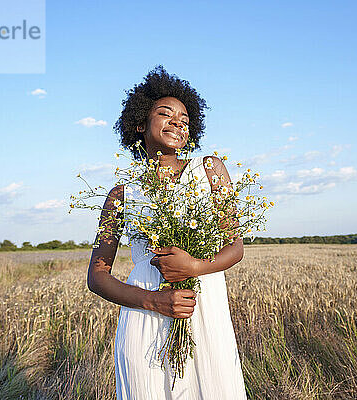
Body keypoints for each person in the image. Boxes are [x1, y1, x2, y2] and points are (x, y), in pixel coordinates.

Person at [87, 66, 247, 399]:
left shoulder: (210, 170)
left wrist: (195, 268)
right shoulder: (122, 194)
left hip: (201, 309)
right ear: (140, 125)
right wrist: (154, 301)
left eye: (185, 119)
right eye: (165, 113)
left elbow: (236, 246)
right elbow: (97, 277)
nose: (178, 122)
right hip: (144, 316)